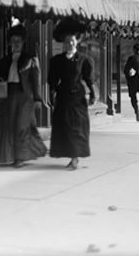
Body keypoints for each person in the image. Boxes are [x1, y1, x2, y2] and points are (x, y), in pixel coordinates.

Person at [0, 23, 47, 168]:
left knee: (22, 126)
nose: (16, 44)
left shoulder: (30, 58)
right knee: (8, 125)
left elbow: (35, 80)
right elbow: (1, 78)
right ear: (9, 43)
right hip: (9, 95)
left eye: (18, 41)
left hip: (25, 96)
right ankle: (10, 155)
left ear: (23, 42)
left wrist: (38, 98)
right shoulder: (4, 60)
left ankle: (20, 157)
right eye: (13, 41)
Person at [48, 18, 94, 170]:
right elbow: (53, 80)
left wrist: (92, 94)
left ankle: (75, 159)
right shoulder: (57, 60)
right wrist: (51, 94)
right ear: (63, 42)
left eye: (72, 41)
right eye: (67, 41)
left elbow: (88, 79)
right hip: (63, 98)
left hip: (78, 98)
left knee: (77, 127)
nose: (70, 44)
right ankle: (71, 155)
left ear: (77, 41)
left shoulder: (83, 59)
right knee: (64, 127)